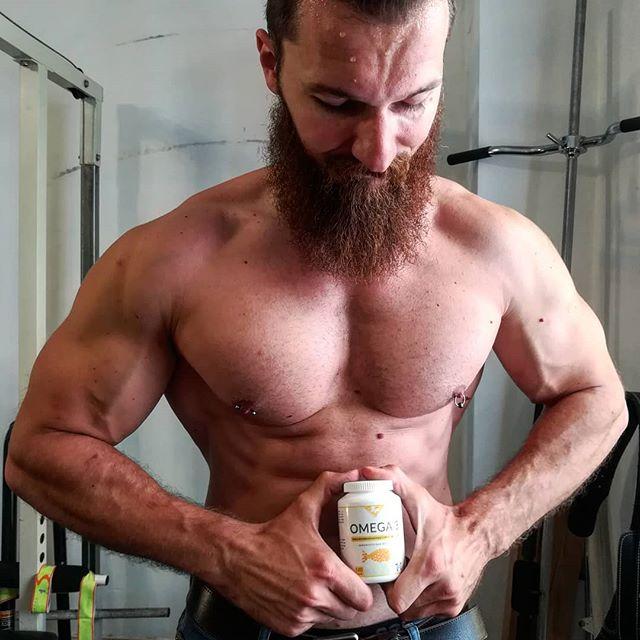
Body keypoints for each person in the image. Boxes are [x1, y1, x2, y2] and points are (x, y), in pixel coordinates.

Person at [5, 0, 628, 638]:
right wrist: (227, 552)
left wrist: (480, 531)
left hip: (431, 627)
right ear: (271, 63)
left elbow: (597, 399)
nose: (379, 151)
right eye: (338, 104)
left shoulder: (494, 246)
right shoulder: (177, 257)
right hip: (243, 627)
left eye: (414, 102)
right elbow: (41, 448)